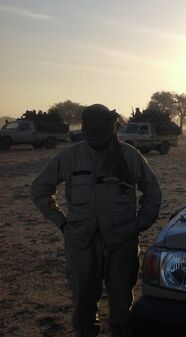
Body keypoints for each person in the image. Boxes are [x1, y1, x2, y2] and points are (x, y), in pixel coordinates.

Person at [31, 104, 162, 337]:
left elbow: (153, 193)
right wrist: (62, 223)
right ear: (85, 127)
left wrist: (138, 225)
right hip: (81, 244)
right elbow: (40, 189)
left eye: (103, 127)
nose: (98, 132)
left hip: (122, 244)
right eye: (93, 127)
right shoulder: (71, 156)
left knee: (122, 312)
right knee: (83, 312)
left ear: (111, 127)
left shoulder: (130, 157)